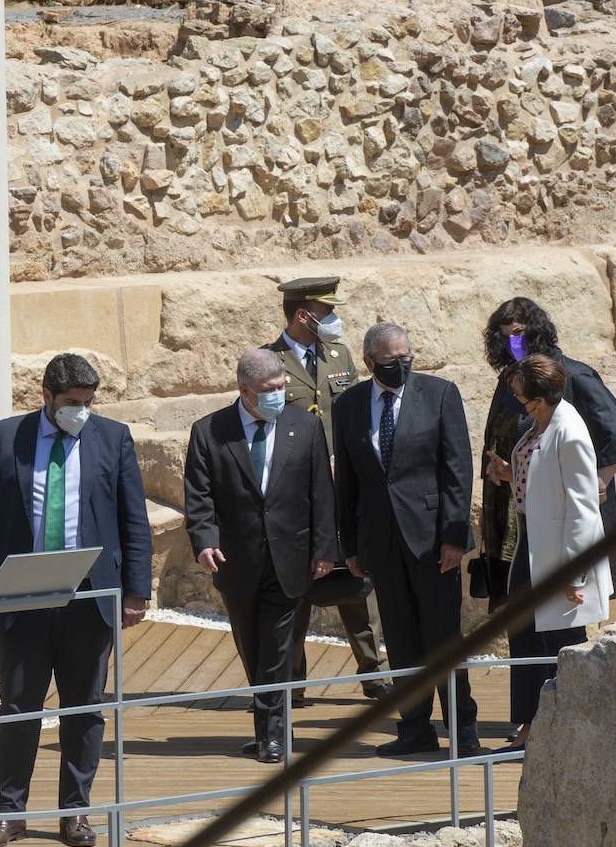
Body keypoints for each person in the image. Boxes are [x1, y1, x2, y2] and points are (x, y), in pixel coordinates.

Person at [0, 353, 152, 847]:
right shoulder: (4, 438)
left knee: (84, 707)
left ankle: (76, 812)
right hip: (22, 595)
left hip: (89, 598)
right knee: (19, 706)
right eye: (72, 403)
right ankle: (11, 812)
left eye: (88, 402)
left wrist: (136, 591)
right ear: (46, 397)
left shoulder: (112, 438)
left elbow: (134, 518)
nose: (81, 411)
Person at [332, 322, 480, 756]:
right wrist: (351, 545)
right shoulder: (349, 404)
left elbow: (458, 471)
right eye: (392, 360)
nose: (403, 365)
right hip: (381, 543)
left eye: (407, 356)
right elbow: (349, 483)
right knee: (399, 640)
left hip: (434, 542)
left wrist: (455, 537)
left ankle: (462, 728)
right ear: (369, 362)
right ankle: (415, 728)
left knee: (443, 637)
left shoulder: (439, 394)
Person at [184, 349, 338, 763]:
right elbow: (199, 495)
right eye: (269, 390)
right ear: (245, 391)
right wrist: (204, 540)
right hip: (236, 560)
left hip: (290, 557)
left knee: (276, 648)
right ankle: (267, 724)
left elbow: (321, 491)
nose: (278, 395)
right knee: (251, 646)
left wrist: (325, 549)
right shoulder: (209, 431)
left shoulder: (305, 426)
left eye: (281, 387)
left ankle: (273, 733)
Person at [262, 276, 389, 704]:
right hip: (295, 493)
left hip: (341, 487)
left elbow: (351, 415)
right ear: (303, 316)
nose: (333, 320)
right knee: (295, 583)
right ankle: (291, 680)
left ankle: (375, 673)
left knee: (355, 575)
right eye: (325, 312)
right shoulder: (268, 361)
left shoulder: (338, 354)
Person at [479, 297, 616, 609]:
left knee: (563, 615)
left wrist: (600, 480)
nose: (511, 343)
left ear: (535, 331)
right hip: (516, 509)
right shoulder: (510, 380)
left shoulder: (574, 375)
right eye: (504, 336)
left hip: (563, 512)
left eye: (517, 334)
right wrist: (500, 471)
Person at [489, 355, 611, 751]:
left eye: (528, 400)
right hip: (531, 545)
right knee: (524, 634)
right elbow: (540, 475)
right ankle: (530, 726)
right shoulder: (541, 422)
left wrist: (574, 573)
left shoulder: (569, 429)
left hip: (559, 555)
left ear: (547, 395)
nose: (524, 407)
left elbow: (582, 506)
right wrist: (509, 473)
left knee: (561, 643)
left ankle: (570, 733)